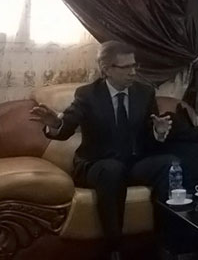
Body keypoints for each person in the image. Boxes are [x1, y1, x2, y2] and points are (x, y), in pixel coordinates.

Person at [30, 41, 176, 260]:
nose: (133, 72)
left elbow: (148, 132)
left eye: (134, 65)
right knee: (112, 169)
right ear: (106, 69)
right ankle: (114, 249)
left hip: (133, 163)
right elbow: (67, 127)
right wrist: (56, 123)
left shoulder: (144, 92)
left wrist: (158, 132)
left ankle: (167, 243)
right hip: (96, 164)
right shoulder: (88, 94)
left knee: (170, 163)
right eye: (126, 67)